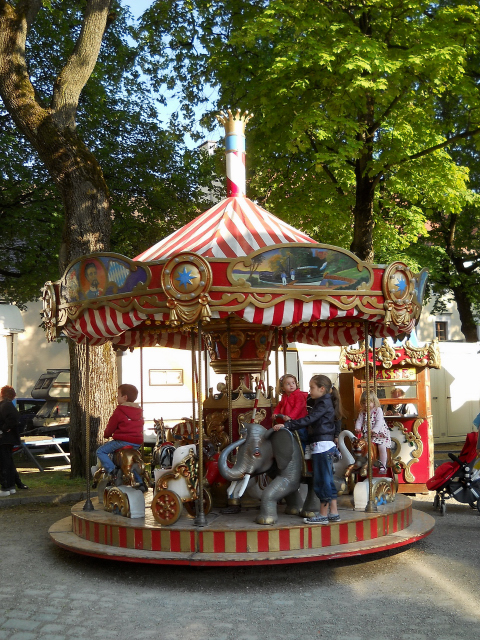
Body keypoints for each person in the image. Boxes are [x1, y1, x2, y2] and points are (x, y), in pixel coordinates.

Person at [273, 374, 342, 525]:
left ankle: (323, 514)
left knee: (321, 481)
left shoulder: (323, 404)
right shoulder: (322, 402)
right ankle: (334, 512)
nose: (309, 390)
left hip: (322, 446)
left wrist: (288, 425)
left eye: (312, 387)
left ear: (322, 389)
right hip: (323, 444)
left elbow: (310, 419)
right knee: (327, 480)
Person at [93, 384, 144, 485]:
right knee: (131, 461)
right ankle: (140, 482)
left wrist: (106, 434)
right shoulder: (139, 411)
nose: (116, 398)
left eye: (118, 395)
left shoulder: (120, 410)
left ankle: (113, 471)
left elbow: (111, 426)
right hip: (136, 443)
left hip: (122, 441)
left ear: (125, 397)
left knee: (101, 451)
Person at [355, 390, 392, 473]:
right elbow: (359, 421)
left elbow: (379, 421)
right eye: (363, 403)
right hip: (368, 435)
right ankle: (368, 464)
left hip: (380, 434)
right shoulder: (362, 412)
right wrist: (357, 428)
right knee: (365, 448)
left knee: (381, 447)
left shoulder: (378, 410)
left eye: (368, 403)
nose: (366, 405)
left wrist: (375, 430)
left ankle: (383, 466)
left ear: (374, 402)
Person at [0, 385, 23, 497]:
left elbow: (14, 418)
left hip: (4, 439)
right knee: (8, 463)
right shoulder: (7, 405)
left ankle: (6, 487)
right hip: (7, 439)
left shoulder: (5, 405)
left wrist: (4, 429)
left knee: (4, 464)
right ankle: (11, 486)